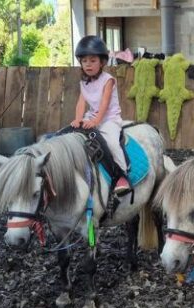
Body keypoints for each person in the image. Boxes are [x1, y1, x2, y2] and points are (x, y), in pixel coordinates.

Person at [71, 35, 131, 196]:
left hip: (109, 119)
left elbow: (105, 103)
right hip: (91, 117)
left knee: (111, 143)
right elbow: (81, 103)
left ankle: (122, 175)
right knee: (72, 136)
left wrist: (96, 121)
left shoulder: (108, 80)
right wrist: (78, 119)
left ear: (102, 62)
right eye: (84, 61)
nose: (88, 64)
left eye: (93, 60)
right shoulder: (84, 82)